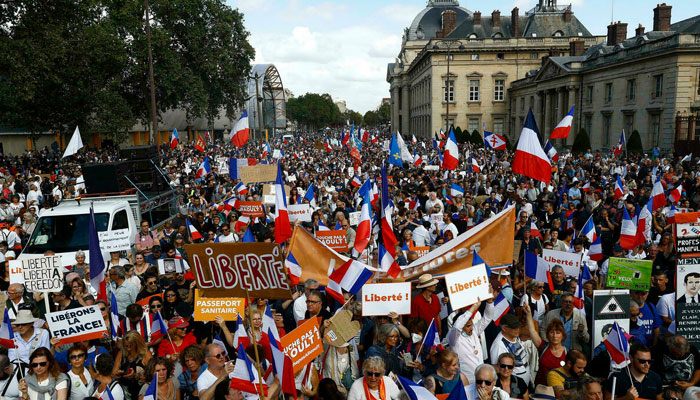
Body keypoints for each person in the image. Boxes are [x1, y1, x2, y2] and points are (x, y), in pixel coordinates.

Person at [447, 298, 494, 383]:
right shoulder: (453, 339)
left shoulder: (474, 331)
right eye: (468, 326)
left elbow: (488, 318)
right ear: (462, 327)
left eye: (471, 324)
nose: (472, 328)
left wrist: (489, 302)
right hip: (466, 381)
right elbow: (457, 327)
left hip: (481, 380)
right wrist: (473, 308)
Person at [523, 302, 567, 385]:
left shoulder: (567, 353)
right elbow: (532, 330)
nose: (554, 336)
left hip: (557, 391)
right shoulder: (543, 346)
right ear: (547, 334)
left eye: (557, 333)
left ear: (563, 335)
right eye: (551, 332)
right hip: (541, 389)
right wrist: (528, 314)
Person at [489, 313, 534, 386]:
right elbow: (496, 369)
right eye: (514, 327)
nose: (517, 330)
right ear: (504, 328)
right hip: (514, 385)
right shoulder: (498, 345)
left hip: (524, 381)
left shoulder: (514, 337)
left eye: (518, 327)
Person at [113, 331, 152, 400]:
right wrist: (119, 374)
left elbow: (152, 376)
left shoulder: (146, 355)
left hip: (140, 393)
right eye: (126, 346)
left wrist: (136, 376)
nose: (128, 349)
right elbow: (113, 374)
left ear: (137, 344)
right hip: (124, 392)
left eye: (130, 346)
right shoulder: (121, 353)